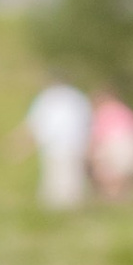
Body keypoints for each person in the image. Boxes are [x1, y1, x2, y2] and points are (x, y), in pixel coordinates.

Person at [25, 76, 95, 209]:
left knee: (57, 177)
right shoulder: (76, 97)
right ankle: (67, 208)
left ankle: (58, 208)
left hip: (56, 144)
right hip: (73, 143)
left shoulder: (47, 97)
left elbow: (37, 123)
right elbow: (87, 122)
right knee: (71, 177)